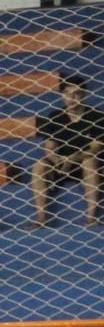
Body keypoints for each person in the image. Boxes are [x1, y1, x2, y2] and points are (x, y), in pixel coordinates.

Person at [31, 74, 104, 228]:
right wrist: (57, 160)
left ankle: (91, 217)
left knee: (89, 161)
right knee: (39, 165)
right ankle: (41, 217)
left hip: (88, 162)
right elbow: (49, 147)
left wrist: (72, 159)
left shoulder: (97, 116)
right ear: (62, 95)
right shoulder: (55, 116)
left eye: (76, 93)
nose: (71, 98)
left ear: (84, 95)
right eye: (67, 94)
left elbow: (96, 147)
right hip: (62, 163)